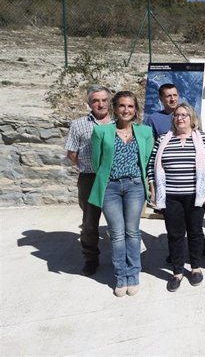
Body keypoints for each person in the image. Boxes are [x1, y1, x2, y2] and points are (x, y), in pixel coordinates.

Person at [88, 91, 153, 297]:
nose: (126, 110)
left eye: (131, 106)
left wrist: (150, 186)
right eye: (122, 106)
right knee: (117, 233)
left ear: (136, 110)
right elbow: (97, 162)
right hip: (110, 188)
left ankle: (133, 275)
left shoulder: (144, 132)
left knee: (132, 231)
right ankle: (121, 276)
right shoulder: (102, 132)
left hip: (135, 187)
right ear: (115, 108)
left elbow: (147, 160)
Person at [145, 82, 205, 260]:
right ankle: (176, 254)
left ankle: (199, 251)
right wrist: (154, 189)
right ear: (161, 99)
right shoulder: (154, 119)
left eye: (175, 95)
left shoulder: (196, 130)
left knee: (195, 225)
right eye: (168, 96)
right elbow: (152, 151)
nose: (172, 98)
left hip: (195, 187)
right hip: (170, 187)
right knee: (175, 226)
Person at [65, 85, 111, 276]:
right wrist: (88, 168)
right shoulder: (78, 124)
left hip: (115, 178)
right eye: (95, 100)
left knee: (120, 222)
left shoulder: (120, 123)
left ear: (109, 101)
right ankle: (91, 258)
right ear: (89, 103)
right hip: (90, 179)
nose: (100, 104)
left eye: (104, 100)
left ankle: (123, 258)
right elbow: (72, 153)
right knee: (90, 223)